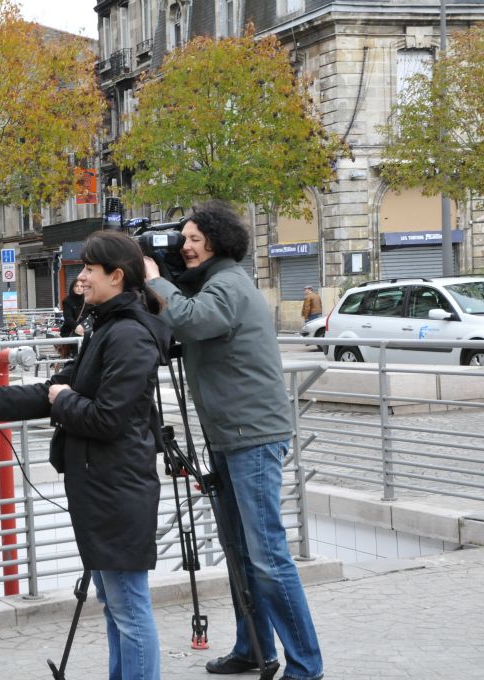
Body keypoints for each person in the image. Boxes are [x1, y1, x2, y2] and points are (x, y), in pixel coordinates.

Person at [0, 231, 171, 680]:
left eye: (90, 270)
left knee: (128, 608)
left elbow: (106, 418)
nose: (82, 278)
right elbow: (55, 389)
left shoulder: (129, 335)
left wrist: (61, 398)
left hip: (118, 488)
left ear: (116, 275)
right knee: (115, 606)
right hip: (101, 486)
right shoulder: (106, 327)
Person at [142, 200, 323, 680]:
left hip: (252, 438)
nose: (184, 246)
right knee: (241, 552)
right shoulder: (213, 285)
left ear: (217, 242)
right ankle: (254, 649)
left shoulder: (229, 285)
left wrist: (153, 278)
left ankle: (306, 666)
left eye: (194, 239)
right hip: (229, 435)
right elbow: (185, 322)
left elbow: (194, 320)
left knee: (267, 555)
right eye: (183, 239)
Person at [58, 279, 91, 359]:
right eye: (77, 286)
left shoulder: (88, 299)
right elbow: (68, 318)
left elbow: (92, 315)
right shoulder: (67, 301)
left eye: (82, 286)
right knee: (77, 350)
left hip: (85, 330)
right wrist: (77, 326)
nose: (79, 288)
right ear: (72, 288)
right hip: (71, 330)